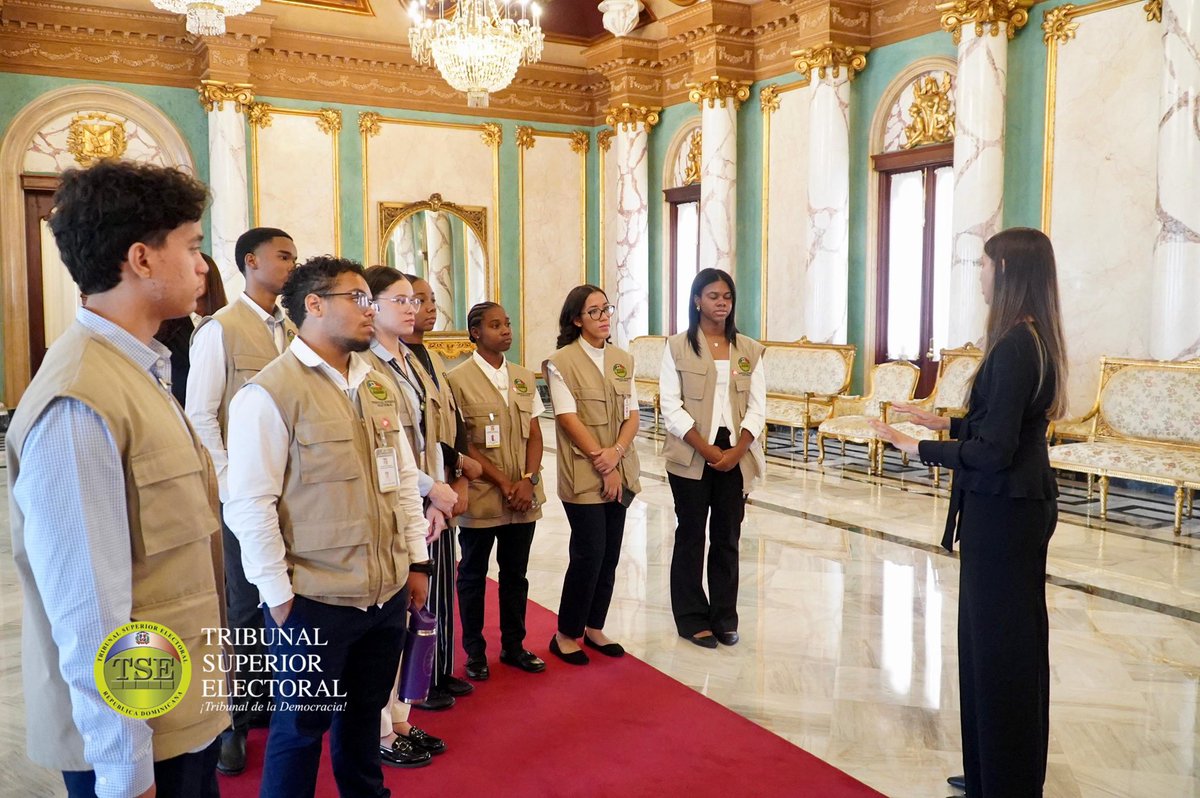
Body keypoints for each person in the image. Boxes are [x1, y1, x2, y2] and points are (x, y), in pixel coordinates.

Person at [8, 159, 228, 797]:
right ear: (142, 258)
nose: (202, 265)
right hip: (140, 740)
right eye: (191, 246)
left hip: (177, 707)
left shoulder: (137, 370)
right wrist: (124, 772)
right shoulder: (80, 400)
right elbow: (89, 611)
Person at [224, 256, 433, 798]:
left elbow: (404, 481)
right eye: (358, 299)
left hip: (383, 595)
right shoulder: (269, 394)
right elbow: (250, 504)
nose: (372, 311)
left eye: (372, 299)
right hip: (313, 600)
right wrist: (278, 597)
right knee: (300, 730)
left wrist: (415, 561)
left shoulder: (376, 385)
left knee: (364, 719)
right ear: (314, 306)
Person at [871, 228, 1067, 798]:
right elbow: (1006, 427)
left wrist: (916, 448)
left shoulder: (1012, 344)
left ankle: (1002, 777)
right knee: (996, 642)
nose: (979, 274)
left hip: (1005, 512)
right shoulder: (1032, 337)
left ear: (1006, 271)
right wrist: (944, 424)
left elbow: (993, 452)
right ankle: (991, 766)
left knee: (1001, 646)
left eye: (984, 264)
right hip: (1014, 508)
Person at [186, 226, 298, 776]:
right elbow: (201, 415)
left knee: (285, 599)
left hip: (288, 496)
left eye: (295, 257)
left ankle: (280, 706)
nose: (290, 265)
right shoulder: (219, 331)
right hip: (240, 497)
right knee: (242, 609)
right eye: (282, 256)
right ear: (250, 262)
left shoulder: (295, 328)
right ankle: (236, 719)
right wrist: (229, 485)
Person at [363, 265, 454, 765]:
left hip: (424, 500)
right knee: (389, 623)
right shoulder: (368, 365)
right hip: (397, 499)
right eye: (399, 300)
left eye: (413, 300)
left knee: (413, 613)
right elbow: (386, 449)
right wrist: (430, 490)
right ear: (370, 307)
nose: (412, 308)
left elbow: (430, 434)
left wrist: (437, 497)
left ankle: (402, 717)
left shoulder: (413, 359)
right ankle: (379, 730)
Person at [659, 268, 766, 649]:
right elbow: (670, 406)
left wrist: (737, 451)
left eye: (727, 297)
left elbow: (758, 407)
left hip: (735, 452)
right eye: (714, 296)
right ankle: (691, 618)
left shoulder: (749, 349)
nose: (721, 303)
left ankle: (724, 616)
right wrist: (705, 450)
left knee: (727, 537)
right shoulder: (677, 346)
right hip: (691, 451)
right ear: (696, 300)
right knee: (690, 536)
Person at [447, 301, 548, 680]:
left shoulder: (523, 376)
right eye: (495, 325)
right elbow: (464, 443)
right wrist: (504, 483)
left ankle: (514, 646)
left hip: (522, 496)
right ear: (475, 333)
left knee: (515, 574)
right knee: (472, 574)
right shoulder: (457, 380)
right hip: (483, 495)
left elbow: (535, 434)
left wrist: (527, 479)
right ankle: (474, 651)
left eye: (507, 323)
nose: (506, 330)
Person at [545, 284, 641, 665]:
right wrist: (603, 462)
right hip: (584, 471)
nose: (603, 318)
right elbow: (568, 417)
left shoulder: (622, 359)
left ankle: (594, 626)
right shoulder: (561, 361)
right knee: (589, 552)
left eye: (607, 309)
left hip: (619, 467)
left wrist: (615, 456)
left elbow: (632, 413)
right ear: (576, 319)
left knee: (611, 553)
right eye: (594, 312)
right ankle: (566, 633)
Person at [401, 273, 481, 706]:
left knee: (443, 585)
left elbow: (455, 424)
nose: (429, 308)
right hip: (416, 490)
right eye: (417, 300)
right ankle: (417, 681)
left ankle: (440, 669)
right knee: (421, 588)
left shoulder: (429, 359)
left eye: (432, 299)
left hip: (442, 487)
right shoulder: (389, 362)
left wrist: (461, 479)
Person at [154, 253, 228, 406]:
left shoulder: (226, 321)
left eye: (200, 274)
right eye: (190, 273)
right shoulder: (167, 325)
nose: (195, 280)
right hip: (180, 405)